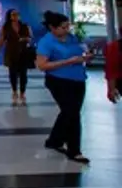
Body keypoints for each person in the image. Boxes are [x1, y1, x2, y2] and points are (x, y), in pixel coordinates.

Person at [35, 11, 93, 164]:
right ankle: (74, 151)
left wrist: (85, 57)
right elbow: (42, 65)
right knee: (72, 114)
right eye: (63, 27)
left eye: (68, 26)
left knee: (69, 112)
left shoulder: (72, 38)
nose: (67, 30)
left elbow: (80, 51)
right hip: (58, 81)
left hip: (78, 79)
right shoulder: (46, 42)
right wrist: (68, 61)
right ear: (52, 28)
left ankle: (54, 140)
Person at [0, 9, 34, 105]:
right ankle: (14, 92)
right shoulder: (5, 27)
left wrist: (25, 39)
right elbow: (1, 40)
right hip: (11, 53)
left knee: (23, 74)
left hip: (23, 53)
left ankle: (22, 93)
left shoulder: (25, 26)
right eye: (13, 14)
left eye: (17, 14)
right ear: (9, 16)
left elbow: (30, 38)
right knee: (12, 74)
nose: (16, 16)